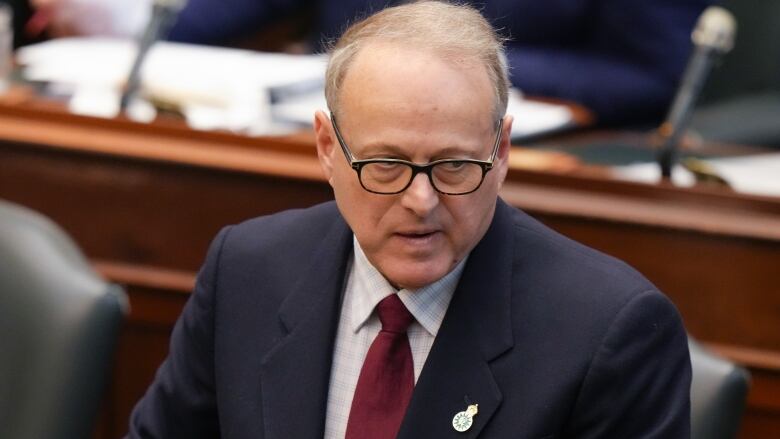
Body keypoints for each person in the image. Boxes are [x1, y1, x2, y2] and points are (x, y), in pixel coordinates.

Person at [126, 2, 691, 438]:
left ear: (501, 151)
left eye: (453, 166)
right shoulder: (247, 270)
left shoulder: (611, 332)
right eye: (386, 165)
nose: (421, 200)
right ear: (327, 148)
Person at [165, 0, 711, 126]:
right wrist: (133, 24)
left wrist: (462, 65)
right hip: (312, 129)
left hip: (517, 155)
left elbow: (651, 74)